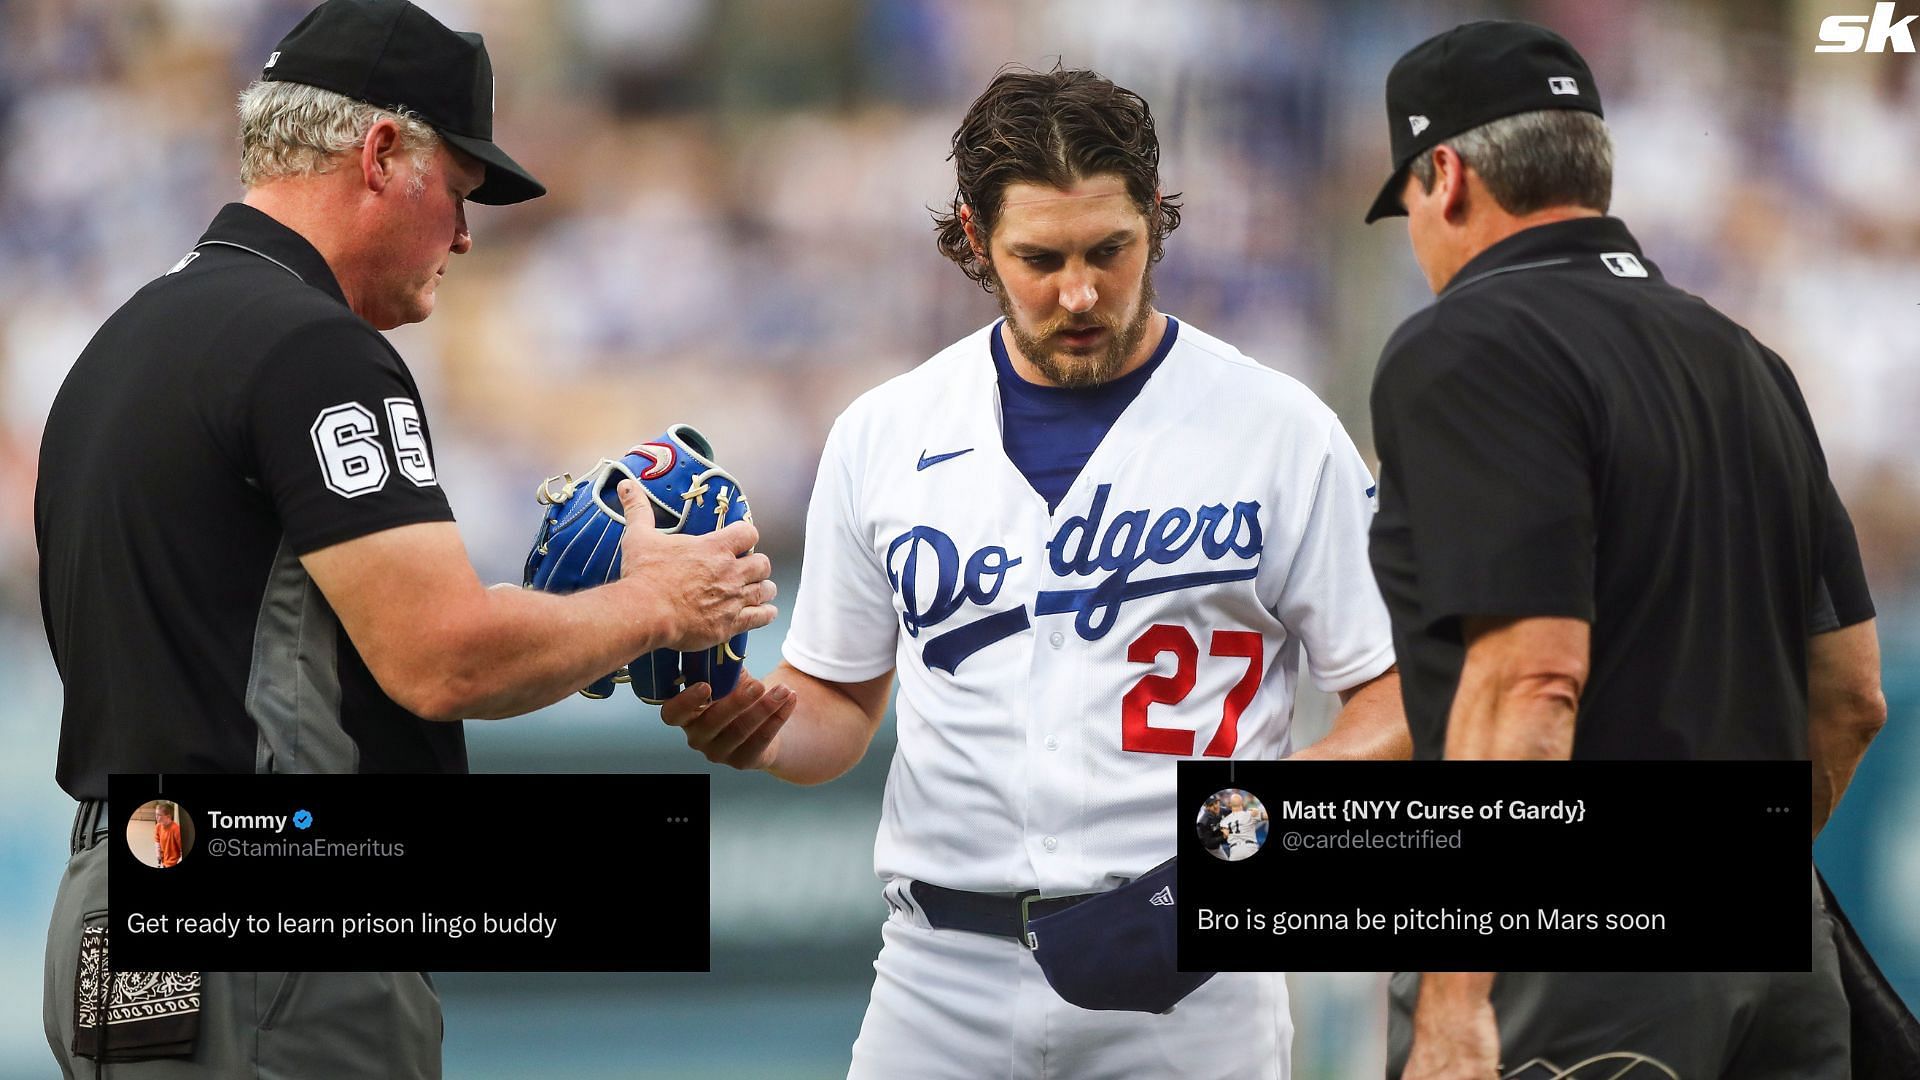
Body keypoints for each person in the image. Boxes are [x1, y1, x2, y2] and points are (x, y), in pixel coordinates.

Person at [35, 2, 775, 1076]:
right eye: (460, 193)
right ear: (382, 152)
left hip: (119, 897)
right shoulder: (310, 345)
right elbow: (442, 657)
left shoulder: (124, 341)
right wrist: (660, 604)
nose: (467, 238)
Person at [659, 66, 1409, 1079]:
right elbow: (835, 706)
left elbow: (1397, 698)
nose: (1081, 291)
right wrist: (755, 719)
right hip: (940, 974)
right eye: (1039, 258)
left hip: (1193, 979)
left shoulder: (1279, 431)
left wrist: (1242, 853)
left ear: (1156, 219)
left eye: (1111, 250)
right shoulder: (887, 432)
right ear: (975, 239)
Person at [1360, 21, 1885, 1080]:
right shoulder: (1743, 357)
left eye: (1410, 199)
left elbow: (1532, 678)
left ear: (1446, 176)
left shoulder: (1469, 341)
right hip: (1779, 947)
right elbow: (1851, 694)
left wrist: (1459, 999)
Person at [153, 805, 183, 870]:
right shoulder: (158, 826)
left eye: (159, 815)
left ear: (168, 816)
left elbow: (183, 849)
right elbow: (157, 840)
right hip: (164, 861)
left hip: (173, 862)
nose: (156, 817)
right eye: (156, 814)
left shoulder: (176, 830)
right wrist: (158, 852)